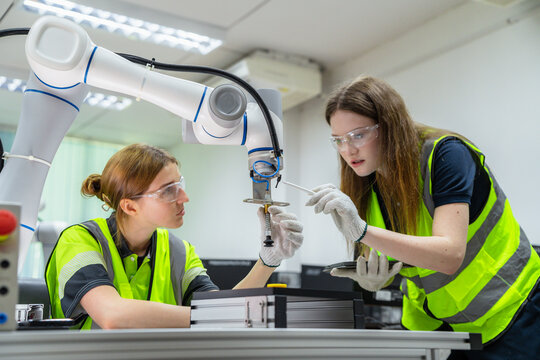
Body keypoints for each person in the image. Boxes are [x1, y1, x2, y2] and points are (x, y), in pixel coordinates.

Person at [305, 75, 540, 359]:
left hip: (511, 308)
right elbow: (403, 259)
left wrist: (362, 231)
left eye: (358, 135)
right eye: (338, 140)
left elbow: (448, 255)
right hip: (446, 324)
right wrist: (373, 281)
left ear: (389, 126)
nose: (348, 150)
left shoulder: (446, 155)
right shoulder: (366, 180)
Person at [45, 143, 303, 330]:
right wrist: (211, 318)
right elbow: (113, 315)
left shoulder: (180, 251)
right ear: (130, 206)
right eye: (169, 190)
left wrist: (267, 261)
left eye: (180, 185)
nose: (184, 197)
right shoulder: (79, 240)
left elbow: (221, 310)